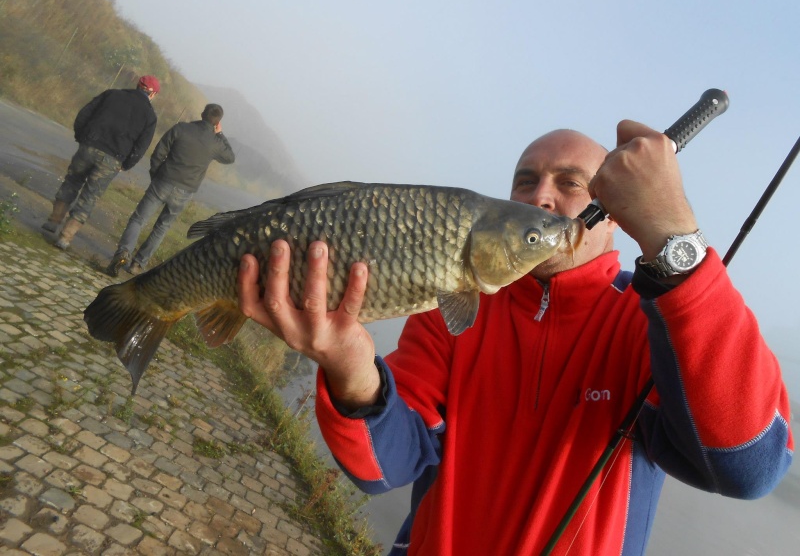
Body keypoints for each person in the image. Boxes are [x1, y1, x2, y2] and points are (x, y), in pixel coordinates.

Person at [236, 120, 794, 555]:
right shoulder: (452, 308)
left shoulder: (652, 326)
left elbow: (751, 466)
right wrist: (350, 368)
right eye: (525, 181)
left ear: (618, 213)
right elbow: (384, 469)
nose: (540, 197)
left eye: (571, 184)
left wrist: (675, 241)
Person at [105, 103, 235, 276]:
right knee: (162, 228)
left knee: (138, 219)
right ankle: (137, 265)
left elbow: (159, 152)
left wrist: (156, 175)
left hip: (163, 180)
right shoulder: (215, 143)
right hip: (185, 191)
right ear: (217, 122)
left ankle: (123, 252)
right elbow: (230, 157)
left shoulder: (181, 128)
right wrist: (220, 134)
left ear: (202, 113)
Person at [43, 75, 159, 250]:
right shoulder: (150, 116)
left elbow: (84, 115)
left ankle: (53, 221)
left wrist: (81, 137)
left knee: (72, 181)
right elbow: (141, 147)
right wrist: (126, 164)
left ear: (137, 86)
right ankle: (65, 237)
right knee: (90, 196)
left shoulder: (112, 94)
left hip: (89, 146)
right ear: (153, 94)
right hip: (113, 159)